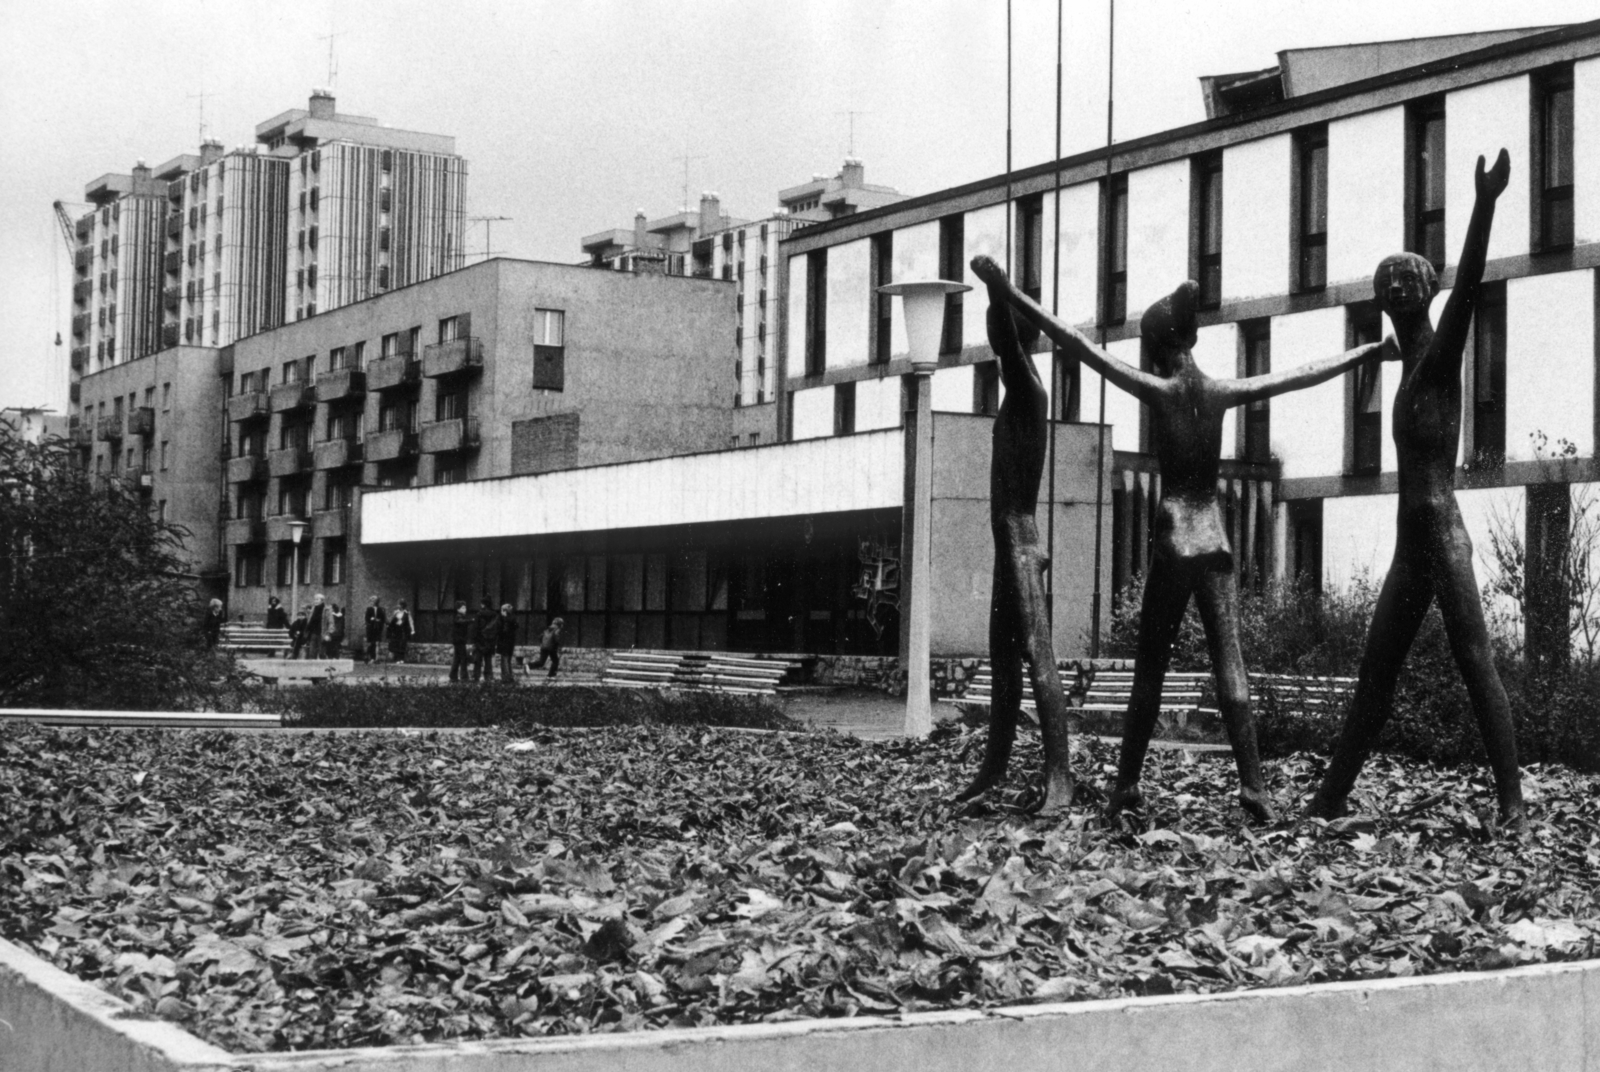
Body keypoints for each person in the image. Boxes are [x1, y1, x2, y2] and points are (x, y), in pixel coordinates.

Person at [973, 254, 1396, 823]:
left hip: (1176, 536)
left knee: (1149, 669)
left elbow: (1078, 344)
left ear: (1156, 346)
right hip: (1215, 539)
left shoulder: (1161, 391)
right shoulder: (1220, 391)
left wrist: (1006, 290)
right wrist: (1369, 352)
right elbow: (1302, 374)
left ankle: (1126, 785)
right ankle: (1254, 788)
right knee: (1231, 664)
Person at [1308, 150, 1526, 832]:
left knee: (1476, 664)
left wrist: (1484, 203)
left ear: (1427, 289)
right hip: (1412, 543)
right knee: (1375, 674)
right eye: (1387, 281)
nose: (1397, 286)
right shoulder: (1403, 372)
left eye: (1408, 278)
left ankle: (1514, 805)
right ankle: (1328, 800)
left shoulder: (1437, 357)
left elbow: (1469, 290)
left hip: (1443, 534)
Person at [491, 603, 520, 683]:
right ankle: (510, 676)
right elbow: (516, 626)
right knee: (508, 660)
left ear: (504, 611)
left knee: (505, 659)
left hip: (504, 641)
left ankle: (506, 677)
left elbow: (502, 630)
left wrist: (504, 619)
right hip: (511, 641)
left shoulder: (503, 619)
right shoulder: (513, 618)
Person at [472, 598, 498, 683]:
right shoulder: (494, 614)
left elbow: (475, 628)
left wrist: (475, 640)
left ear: (483, 604)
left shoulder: (479, 614)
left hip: (480, 640)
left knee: (478, 660)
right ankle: (488, 677)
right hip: (490, 641)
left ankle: (476, 677)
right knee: (488, 660)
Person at [449, 601, 473, 682]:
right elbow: (461, 622)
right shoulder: (459, 617)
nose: (465, 609)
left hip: (458, 640)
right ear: (458, 609)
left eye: (465, 608)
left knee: (457, 658)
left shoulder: (461, 617)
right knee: (463, 658)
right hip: (460, 641)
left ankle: (453, 675)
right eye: (463, 608)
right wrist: (471, 621)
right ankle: (464, 676)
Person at [387, 599, 413, 664]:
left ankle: (401, 658)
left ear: (403, 605)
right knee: (396, 644)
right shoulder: (396, 612)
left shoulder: (407, 613)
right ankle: (397, 658)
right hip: (396, 630)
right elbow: (391, 621)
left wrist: (412, 630)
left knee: (402, 644)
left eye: (400, 605)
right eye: (399, 604)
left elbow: (410, 621)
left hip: (403, 630)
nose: (399, 606)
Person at [364, 596, 385, 663]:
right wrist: (371, 619)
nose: (374, 602)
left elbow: (383, 618)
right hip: (371, 628)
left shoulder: (381, 609)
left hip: (378, 628)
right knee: (371, 643)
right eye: (372, 601)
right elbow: (366, 618)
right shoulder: (369, 609)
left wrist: (379, 621)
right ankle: (371, 657)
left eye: (375, 600)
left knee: (377, 643)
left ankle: (377, 658)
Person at [306, 594, 326, 659]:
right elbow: (310, 620)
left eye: (317, 599)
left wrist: (329, 633)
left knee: (321, 652)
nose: (315, 601)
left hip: (322, 633)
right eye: (315, 599)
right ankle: (312, 664)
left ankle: (324, 664)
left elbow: (331, 622)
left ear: (322, 600)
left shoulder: (326, 609)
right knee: (312, 652)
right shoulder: (313, 609)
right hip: (313, 633)